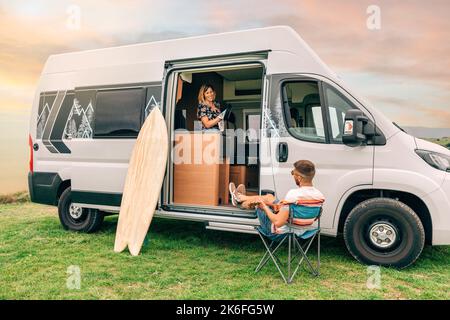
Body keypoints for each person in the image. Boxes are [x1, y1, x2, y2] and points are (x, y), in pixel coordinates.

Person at [229, 160, 325, 236]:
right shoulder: (319, 196)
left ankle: (239, 201)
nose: (292, 175)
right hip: (305, 232)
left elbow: (278, 222)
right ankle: (240, 197)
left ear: (299, 178)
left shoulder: (293, 195)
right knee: (269, 197)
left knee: (259, 202)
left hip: (281, 232)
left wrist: (265, 207)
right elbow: (306, 213)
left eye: (293, 173)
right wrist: (279, 207)